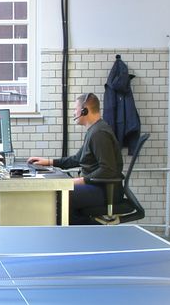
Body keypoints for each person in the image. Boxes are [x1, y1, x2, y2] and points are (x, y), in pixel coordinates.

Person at [28, 92, 122, 224]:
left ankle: (91, 228)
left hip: (105, 190)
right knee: (60, 194)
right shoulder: (94, 130)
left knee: (61, 196)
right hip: (97, 186)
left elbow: (108, 169)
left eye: (75, 109)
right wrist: (49, 162)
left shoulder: (99, 133)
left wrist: (80, 180)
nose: (73, 113)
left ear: (84, 111)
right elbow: (78, 159)